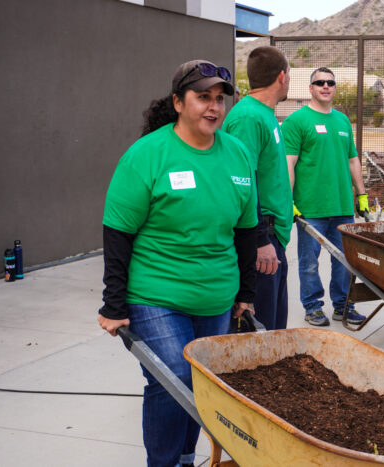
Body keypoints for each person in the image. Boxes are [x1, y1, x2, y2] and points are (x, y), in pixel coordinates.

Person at [98, 60, 258, 466]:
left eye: (220, 99)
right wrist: (113, 303)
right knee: (172, 381)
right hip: (157, 294)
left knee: (201, 385)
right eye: (203, 97)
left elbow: (245, 231)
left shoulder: (237, 154)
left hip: (216, 297)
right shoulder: (148, 155)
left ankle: (186, 457)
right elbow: (118, 232)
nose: (214, 107)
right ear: (177, 102)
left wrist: (246, 293)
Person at [282, 67, 369, 327]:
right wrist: (290, 201)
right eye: (319, 82)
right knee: (309, 263)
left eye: (330, 82)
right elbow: (289, 162)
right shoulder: (297, 121)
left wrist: (361, 194)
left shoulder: (342, 121)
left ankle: (343, 305)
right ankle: (312, 306)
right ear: (310, 88)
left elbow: (352, 159)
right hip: (311, 208)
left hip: (342, 205)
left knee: (344, 262)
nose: (325, 86)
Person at [223, 46, 293, 330]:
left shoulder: (264, 114)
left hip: (274, 236)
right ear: (281, 76)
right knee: (257, 336)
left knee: (275, 330)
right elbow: (241, 183)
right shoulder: (247, 118)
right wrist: (260, 240)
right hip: (261, 240)